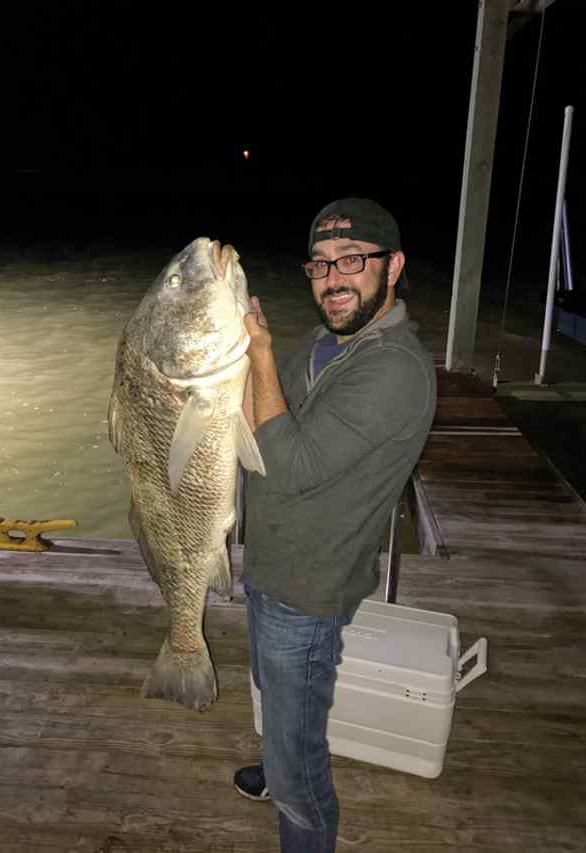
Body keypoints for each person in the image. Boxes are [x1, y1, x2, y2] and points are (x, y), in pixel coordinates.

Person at [235, 198, 437, 853]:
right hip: (268, 561)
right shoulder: (325, 344)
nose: (333, 279)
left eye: (352, 260)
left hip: (309, 588)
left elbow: (289, 465)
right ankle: (277, 757)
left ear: (394, 265)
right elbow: (258, 401)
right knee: (272, 688)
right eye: (320, 264)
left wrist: (259, 353)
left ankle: (295, 797)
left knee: (301, 761)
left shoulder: (395, 370)